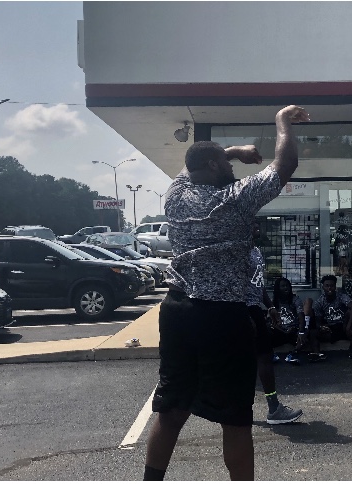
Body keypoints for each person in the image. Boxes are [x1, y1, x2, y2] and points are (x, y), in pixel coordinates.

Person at [143, 105, 310, 481]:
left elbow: (191, 166)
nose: (231, 167)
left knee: (170, 409)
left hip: (177, 310)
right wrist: (282, 121)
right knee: (235, 418)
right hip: (222, 317)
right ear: (215, 166)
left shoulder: (174, 196)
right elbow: (285, 164)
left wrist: (232, 152)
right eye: (226, 163)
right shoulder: (235, 198)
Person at [246, 222, 303, 425]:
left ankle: (244, 409)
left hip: (255, 308)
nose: (257, 226)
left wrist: (270, 306)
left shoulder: (255, 251)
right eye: (252, 223)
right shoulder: (238, 252)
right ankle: (273, 409)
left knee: (257, 357)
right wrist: (245, 314)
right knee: (261, 357)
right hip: (244, 309)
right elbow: (232, 285)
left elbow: (258, 284)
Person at [310, 274, 352, 359]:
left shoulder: (342, 296)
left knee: (351, 314)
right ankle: (316, 354)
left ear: (335, 286)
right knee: (313, 332)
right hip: (330, 329)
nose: (329, 288)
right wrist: (322, 327)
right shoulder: (319, 302)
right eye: (327, 286)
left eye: (332, 285)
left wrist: (348, 326)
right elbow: (317, 321)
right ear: (323, 287)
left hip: (344, 326)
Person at [270, 276, 319, 362]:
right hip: (281, 331)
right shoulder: (273, 302)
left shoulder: (295, 299)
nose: (286, 288)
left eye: (287, 285)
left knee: (304, 337)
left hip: (294, 330)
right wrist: (284, 331)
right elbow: (272, 322)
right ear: (278, 288)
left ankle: (293, 354)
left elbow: (301, 316)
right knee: (266, 332)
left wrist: (301, 331)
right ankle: (271, 355)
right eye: (283, 286)